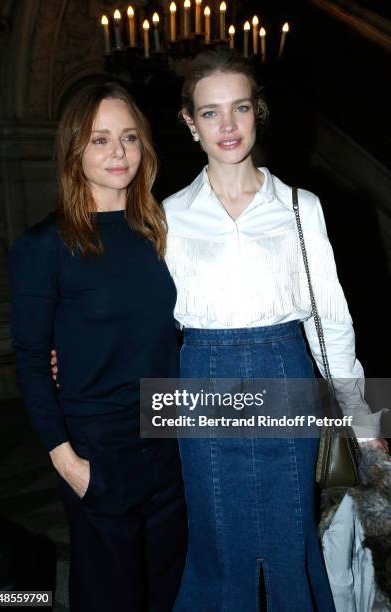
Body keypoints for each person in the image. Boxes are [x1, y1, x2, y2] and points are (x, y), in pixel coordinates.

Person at [162, 48, 387, 611]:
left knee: (289, 539)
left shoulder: (299, 206)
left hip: (283, 368)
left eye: (239, 107)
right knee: (218, 541)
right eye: (210, 113)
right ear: (190, 123)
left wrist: (360, 417)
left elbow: (329, 319)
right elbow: (144, 319)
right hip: (202, 382)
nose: (228, 125)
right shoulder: (167, 215)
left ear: (257, 112)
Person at [9, 82, 187, 612]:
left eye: (129, 137)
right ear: (73, 151)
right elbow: (31, 361)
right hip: (97, 448)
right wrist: (67, 463)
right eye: (100, 140)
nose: (118, 152)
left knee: (169, 590)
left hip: (170, 436)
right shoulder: (45, 246)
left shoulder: (162, 230)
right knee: (111, 597)